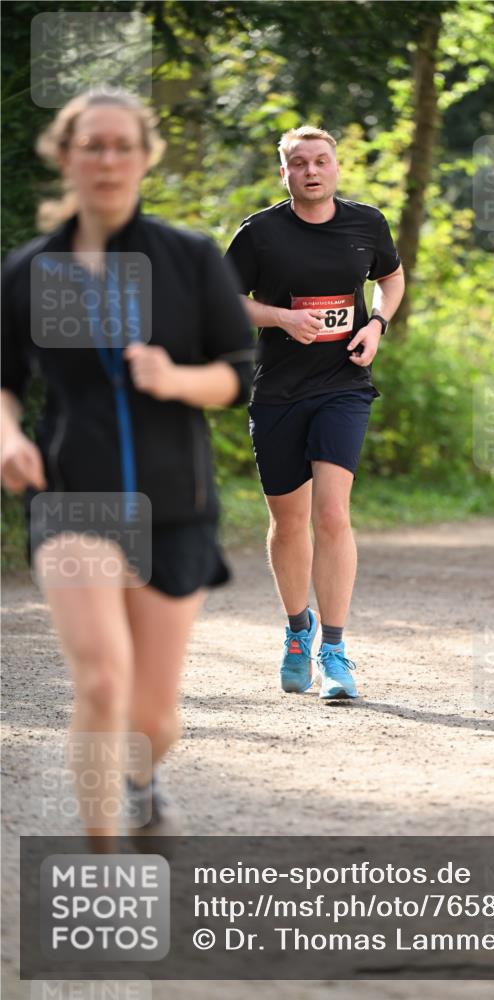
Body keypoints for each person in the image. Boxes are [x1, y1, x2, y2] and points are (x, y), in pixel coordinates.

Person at [1, 90, 255, 848]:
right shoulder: (30, 271)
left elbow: (240, 374)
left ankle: (142, 782)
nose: (107, 160)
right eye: (92, 145)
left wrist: (175, 379)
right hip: (73, 495)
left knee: (151, 716)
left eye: (121, 146)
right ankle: (100, 849)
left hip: (176, 500)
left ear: (144, 158)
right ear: (66, 156)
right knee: (101, 680)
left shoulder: (187, 258)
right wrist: (6, 436)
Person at [226, 125, 404, 700]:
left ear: (336, 168)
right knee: (288, 522)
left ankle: (335, 650)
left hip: (343, 386)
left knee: (331, 514)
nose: (311, 170)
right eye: (298, 162)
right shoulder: (261, 233)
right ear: (285, 172)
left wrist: (376, 324)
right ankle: (296, 630)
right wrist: (281, 319)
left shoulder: (367, 224)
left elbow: (391, 278)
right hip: (278, 392)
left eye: (320, 161)